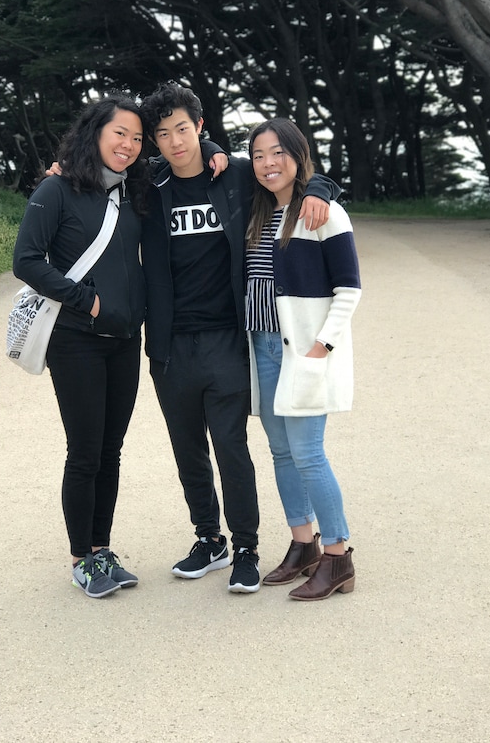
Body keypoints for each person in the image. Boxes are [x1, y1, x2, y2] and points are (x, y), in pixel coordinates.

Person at [139, 83, 340, 594]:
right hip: (168, 343)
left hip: (228, 337)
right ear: (154, 142)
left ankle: (246, 546)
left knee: (231, 444)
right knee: (187, 447)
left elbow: (292, 173)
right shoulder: (148, 186)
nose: (174, 141)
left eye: (183, 129)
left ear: (200, 128)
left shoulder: (237, 176)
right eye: (162, 134)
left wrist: (320, 190)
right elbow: (93, 181)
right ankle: (209, 539)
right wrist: (57, 173)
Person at [13, 94, 150, 599]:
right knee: (86, 452)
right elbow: (26, 261)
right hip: (75, 342)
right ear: (96, 132)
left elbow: (189, 157)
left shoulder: (133, 189)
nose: (130, 146)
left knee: (111, 451)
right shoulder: (57, 189)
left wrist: (215, 146)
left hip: (124, 342)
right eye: (121, 134)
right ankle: (81, 557)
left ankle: (101, 548)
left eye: (137, 138)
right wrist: (86, 302)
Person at [245, 117, 361, 600]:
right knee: (280, 452)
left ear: (298, 155)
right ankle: (302, 544)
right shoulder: (257, 212)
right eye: (258, 156)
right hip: (262, 346)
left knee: (309, 453)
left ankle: (337, 556)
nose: (268, 164)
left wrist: (322, 347)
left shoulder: (321, 211)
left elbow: (349, 288)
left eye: (278, 153)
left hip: (302, 350)